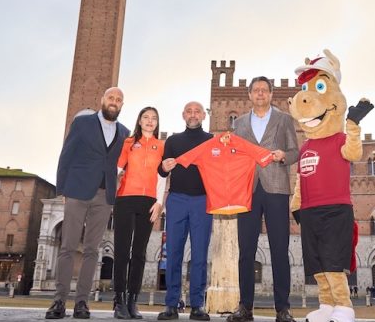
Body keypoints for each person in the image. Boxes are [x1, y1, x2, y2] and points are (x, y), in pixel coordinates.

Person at [46, 87, 130, 320]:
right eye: (111, 98)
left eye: (119, 100)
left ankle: (82, 302)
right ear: (102, 100)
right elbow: (66, 155)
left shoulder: (125, 132)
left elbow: (125, 164)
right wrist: (61, 189)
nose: (114, 102)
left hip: (105, 196)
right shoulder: (83, 123)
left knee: (93, 250)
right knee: (68, 246)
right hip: (77, 190)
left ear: (122, 105)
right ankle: (59, 301)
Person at [227, 76, 299, 322]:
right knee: (246, 250)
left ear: (271, 94)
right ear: (249, 95)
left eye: (264, 90)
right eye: (255, 90)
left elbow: (295, 152)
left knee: (280, 249)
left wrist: (282, 156)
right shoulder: (239, 123)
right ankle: (245, 307)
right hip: (248, 190)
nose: (260, 94)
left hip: (277, 189)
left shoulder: (284, 119)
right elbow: (234, 156)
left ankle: (283, 309)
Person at [156, 101, 213, 321]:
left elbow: (221, 169)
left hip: (202, 201)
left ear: (203, 116)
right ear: (183, 115)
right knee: (174, 254)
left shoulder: (210, 140)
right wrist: (164, 167)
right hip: (177, 200)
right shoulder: (172, 141)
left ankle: (197, 305)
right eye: (189, 111)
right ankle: (171, 304)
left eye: (197, 111)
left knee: (199, 255)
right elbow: (161, 172)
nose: (193, 114)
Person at [113, 106, 166, 319]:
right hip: (125, 199)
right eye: (146, 117)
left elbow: (162, 177)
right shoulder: (128, 143)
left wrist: (160, 203)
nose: (150, 121)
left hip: (149, 203)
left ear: (157, 122)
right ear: (140, 120)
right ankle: (119, 301)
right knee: (122, 252)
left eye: (154, 118)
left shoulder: (161, 146)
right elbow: (116, 170)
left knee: (140, 254)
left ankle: (133, 300)